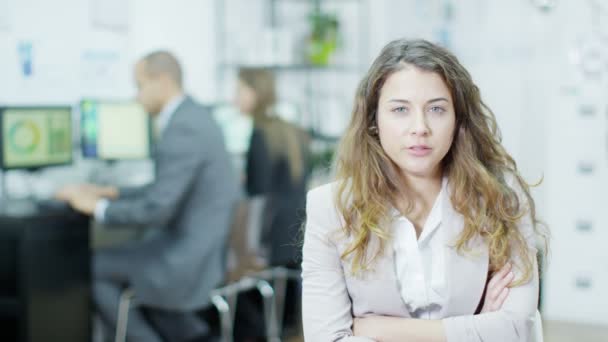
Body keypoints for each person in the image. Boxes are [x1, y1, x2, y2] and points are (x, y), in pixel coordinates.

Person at [301, 39, 547, 341]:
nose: (420, 127)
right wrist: (474, 329)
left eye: (437, 109)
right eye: (400, 109)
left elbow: (517, 328)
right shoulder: (330, 207)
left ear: (458, 119)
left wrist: (382, 329)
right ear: (373, 120)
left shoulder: (501, 196)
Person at [56, 51, 239, 341]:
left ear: (163, 81)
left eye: (140, 86)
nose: (137, 97)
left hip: (185, 258)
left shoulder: (183, 127)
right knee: (123, 253)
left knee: (92, 265)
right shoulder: (195, 115)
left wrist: (98, 207)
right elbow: (166, 187)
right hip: (202, 247)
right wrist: (114, 193)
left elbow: (158, 208)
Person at [236, 67, 311, 268]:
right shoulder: (287, 130)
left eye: (240, 90)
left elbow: (258, 194)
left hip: (272, 236)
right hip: (296, 232)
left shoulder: (261, 134)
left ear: (256, 93)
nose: (235, 98)